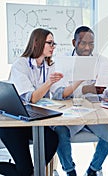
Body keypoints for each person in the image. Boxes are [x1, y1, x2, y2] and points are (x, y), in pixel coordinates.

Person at [0, 28, 80, 176]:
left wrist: (78, 81)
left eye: (53, 43)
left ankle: (34, 173)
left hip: (32, 120)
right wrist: (49, 83)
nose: (53, 46)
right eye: (50, 43)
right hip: (14, 122)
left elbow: (59, 93)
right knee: (24, 171)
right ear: (37, 43)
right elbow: (31, 98)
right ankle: (28, 172)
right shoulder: (21, 65)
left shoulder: (48, 65)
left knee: (52, 139)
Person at [53, 26, 108, 176]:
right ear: (74, 43)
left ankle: (93, 170)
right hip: (68, 113)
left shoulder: (101, 60)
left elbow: (107, 89)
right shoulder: (62, 61)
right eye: (83, 43)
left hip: (92, 113)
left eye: (91, 44)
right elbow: (58, 93)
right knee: (59, 133)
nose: (87, 48)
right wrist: (85, 89)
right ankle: (70, 170)